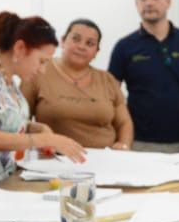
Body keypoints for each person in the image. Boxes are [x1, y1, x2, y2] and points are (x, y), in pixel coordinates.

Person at [0, 11, 85, 183]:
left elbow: (7, 122)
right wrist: (44, 139)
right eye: (42, 61)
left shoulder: (8, 78)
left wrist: (38, 128)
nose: (42, 70)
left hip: (9, 177)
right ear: (20, 48)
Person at [108, 0, 179, 153]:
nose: (149, 2)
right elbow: (110, 96)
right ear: (136, 4)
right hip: (137, 144)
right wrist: (121, 138)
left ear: (168, 1)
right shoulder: (124, 46)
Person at [22, 19, 131, 150]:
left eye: (90, 43)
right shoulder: (38, 71)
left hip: (104, 156)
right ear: (63, 41)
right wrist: (40, 139)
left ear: (96, 52)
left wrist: (123, 145)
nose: (81, 46)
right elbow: (20, 120)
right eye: (76, 39)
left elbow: (124, 123)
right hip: (53, 156)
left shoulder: (107, 80)